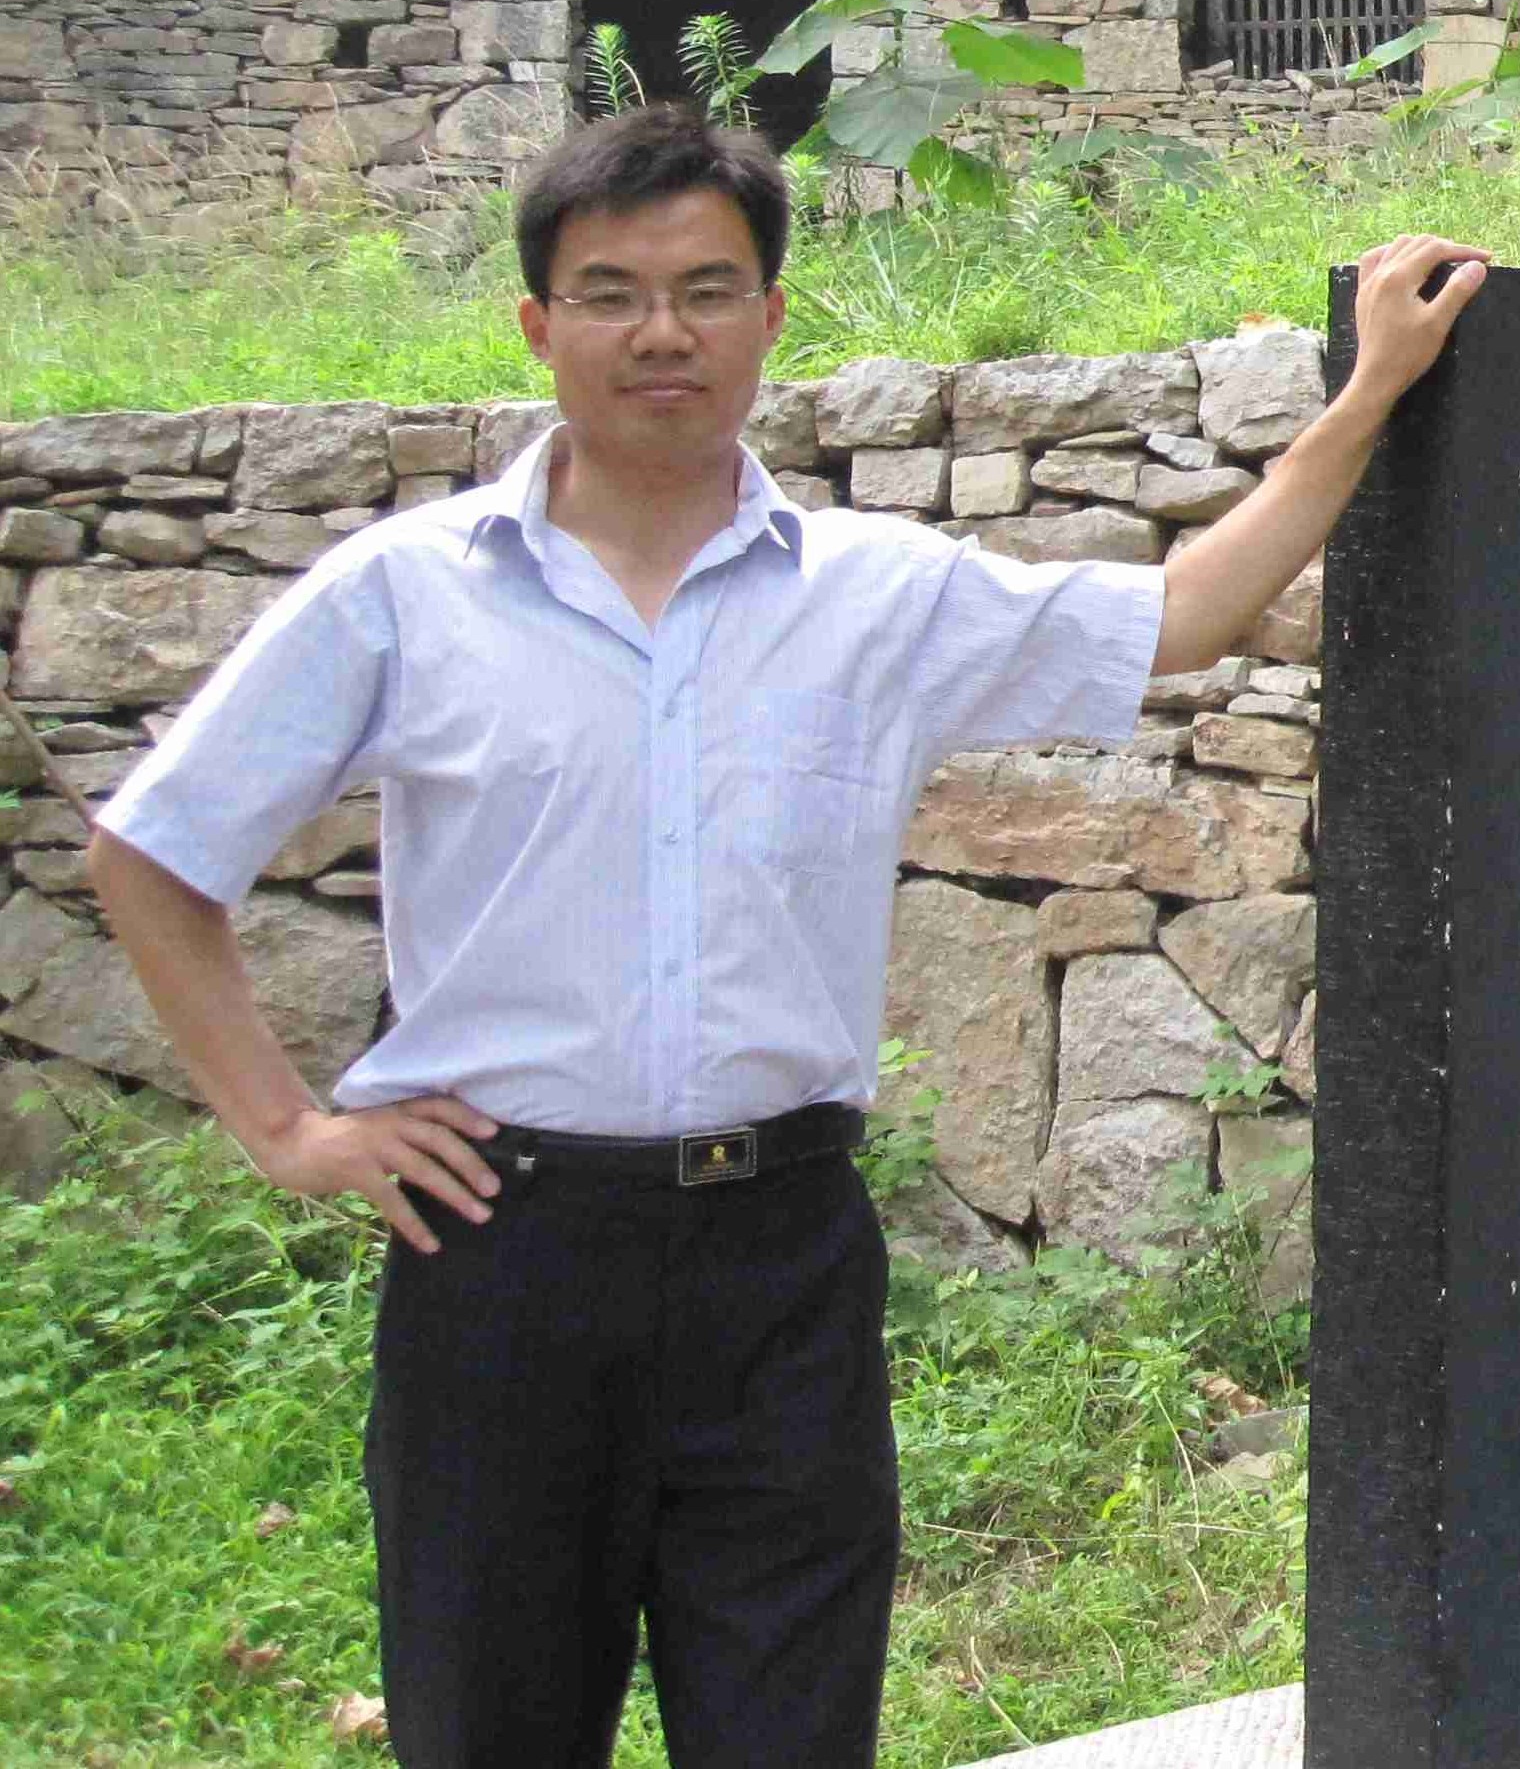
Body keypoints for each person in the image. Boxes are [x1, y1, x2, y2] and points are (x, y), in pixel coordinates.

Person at [87, 103, 1486, 1769]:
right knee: (490, 1724)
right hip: (505, 1256)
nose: (660, 332)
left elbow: (1183, 614)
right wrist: (287, 1128)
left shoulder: (875, 594)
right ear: (537, 324)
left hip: (783, 1262)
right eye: (610, 293)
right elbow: (154, 849)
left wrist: (1370, 394)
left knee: (792, 1726)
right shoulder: (404, 594)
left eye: (705, 289)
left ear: (767, 317)